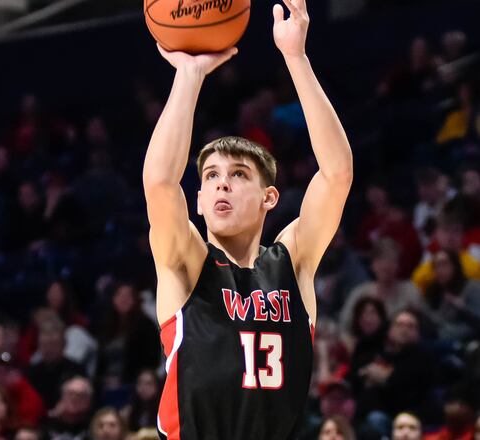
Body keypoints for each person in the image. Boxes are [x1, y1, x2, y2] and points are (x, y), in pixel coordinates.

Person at [143, 0, 353, 438]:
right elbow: (160, 182)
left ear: (268, 197)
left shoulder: (291, 263)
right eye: (212, 176)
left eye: (239, 175)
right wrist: (189, 75)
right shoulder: (186, 263)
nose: (222, 184)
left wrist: (296, 58)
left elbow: (337, 174)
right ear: (197, 200)